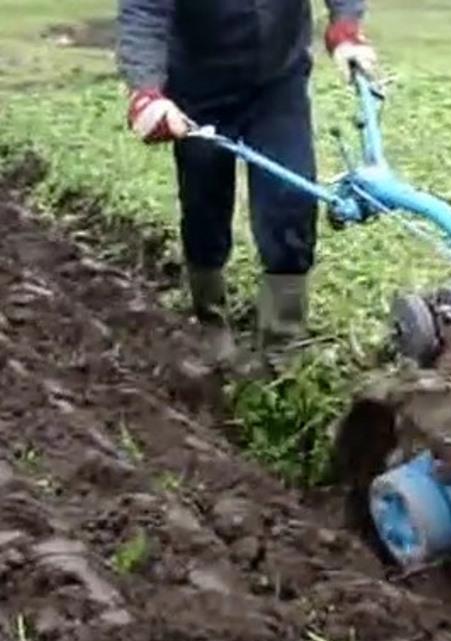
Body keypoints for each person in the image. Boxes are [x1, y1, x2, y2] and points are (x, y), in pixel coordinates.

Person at [116, 0, 379, 367]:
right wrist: (145, 92)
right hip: (198, 87)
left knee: (290, 200)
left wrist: (346, 29)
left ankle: (283, 338)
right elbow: (144, 11)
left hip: (277, 82)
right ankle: (210, 323)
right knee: (204, 203)